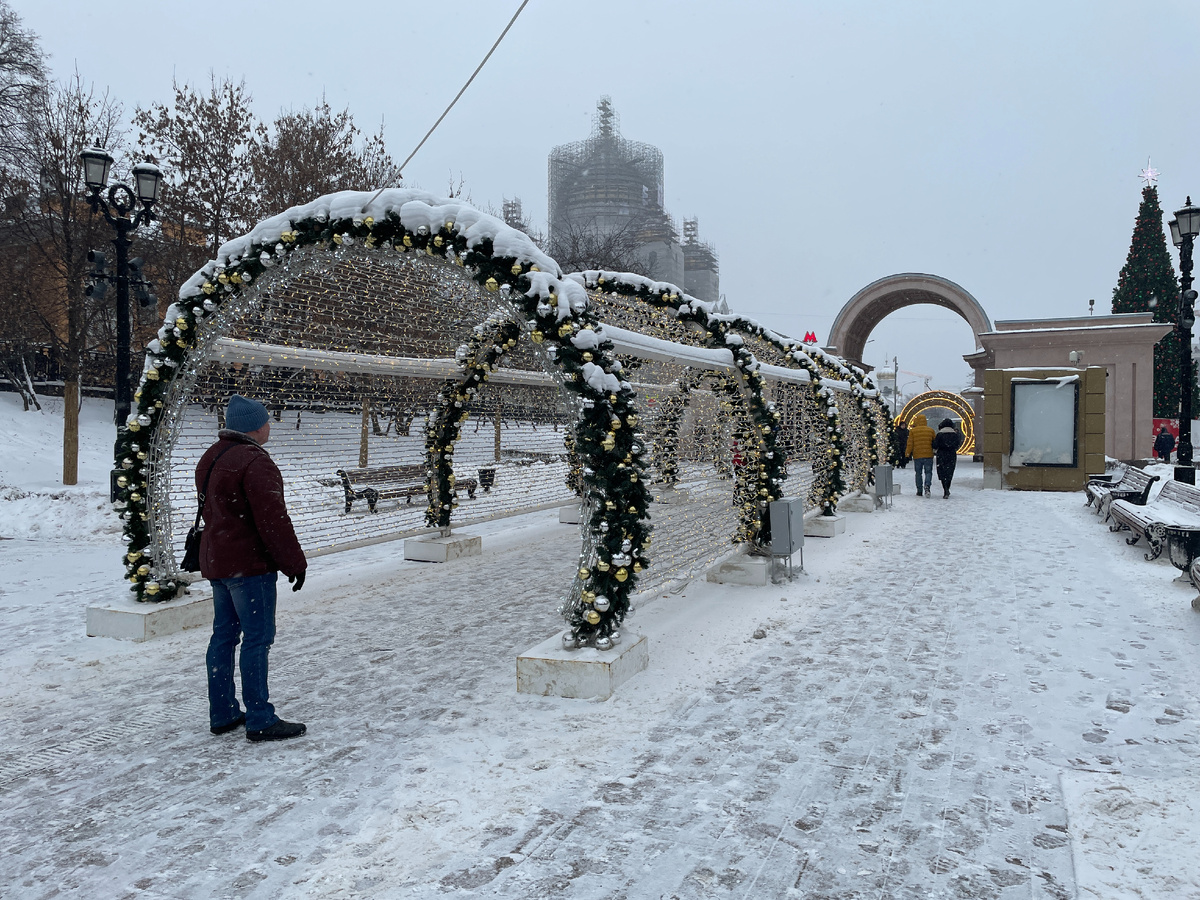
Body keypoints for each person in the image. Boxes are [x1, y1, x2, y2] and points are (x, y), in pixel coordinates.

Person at [197, 394, 308, 742]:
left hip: (218, 562)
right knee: (257, 639)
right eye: (266, 421)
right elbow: (273, 519)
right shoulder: (255, 462)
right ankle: (260, 717)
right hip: (249, 566)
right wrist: (294, 562)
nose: (269, 426)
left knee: (224, 637)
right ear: (255, 427)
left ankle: (223, 712)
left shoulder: (212, 456)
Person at [932, 418, 964, 498]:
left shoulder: (940, 434)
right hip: (951, 454)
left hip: (941, 454)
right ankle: (947, 488)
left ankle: (945, 488)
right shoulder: (955, 434)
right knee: (950, 472)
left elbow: (935, 445)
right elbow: (957, 444)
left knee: (942, 472)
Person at [905, 413, 936, 497]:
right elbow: (935, 442)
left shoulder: (913, 431)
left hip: (917, 455)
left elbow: (910, 444)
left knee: (918, 473)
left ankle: (919, 490)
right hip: (928, 455)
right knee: (928, 472)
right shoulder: (931, 430)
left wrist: (907, 454)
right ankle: (927, 485)